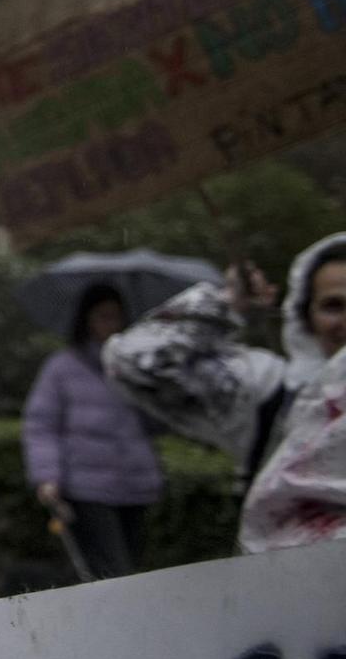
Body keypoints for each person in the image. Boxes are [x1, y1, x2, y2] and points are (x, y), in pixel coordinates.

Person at [104, 234, 346, 552]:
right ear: (305, 317)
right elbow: (134, 362)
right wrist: (226, 302)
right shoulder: (272, 390)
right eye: (334, 306)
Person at [20, 285, 162, 579]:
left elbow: (158, 423)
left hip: (135, 486)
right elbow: (40, 425)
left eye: (117, 317)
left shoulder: (136, 368)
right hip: (87, 488)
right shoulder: (62, 368)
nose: (111, 325)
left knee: (126, 570)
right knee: (114, 571)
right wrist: (48, 476)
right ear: (86, 320)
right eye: (103, 316)